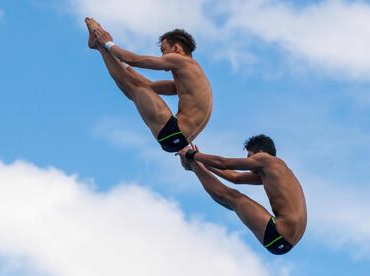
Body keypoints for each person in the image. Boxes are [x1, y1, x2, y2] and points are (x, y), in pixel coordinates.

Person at [85, 18, 212, 152]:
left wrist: (108, 43)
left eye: (163, 50)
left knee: (131, 86)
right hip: (176, 139)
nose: (162, 56)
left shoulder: (182, 60)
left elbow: (134, 60)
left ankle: (98, 44)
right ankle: (98, 45)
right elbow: (149, 86)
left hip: (174, 131)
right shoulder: (190, 81)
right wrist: (115, 57)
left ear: (176, 49)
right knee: (134, 86)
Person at [177, 134, 307, 255]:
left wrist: (192, 154)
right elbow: (235, 178)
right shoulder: (275, 172)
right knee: (234, 201)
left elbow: (224, 163)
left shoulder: (266, 160)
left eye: (249, 157)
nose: (249, 163)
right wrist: (202, 162)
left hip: (279, 234)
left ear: (260, 152)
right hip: (285, 241)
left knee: (233, 198)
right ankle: (194, 166)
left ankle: (193, 166)